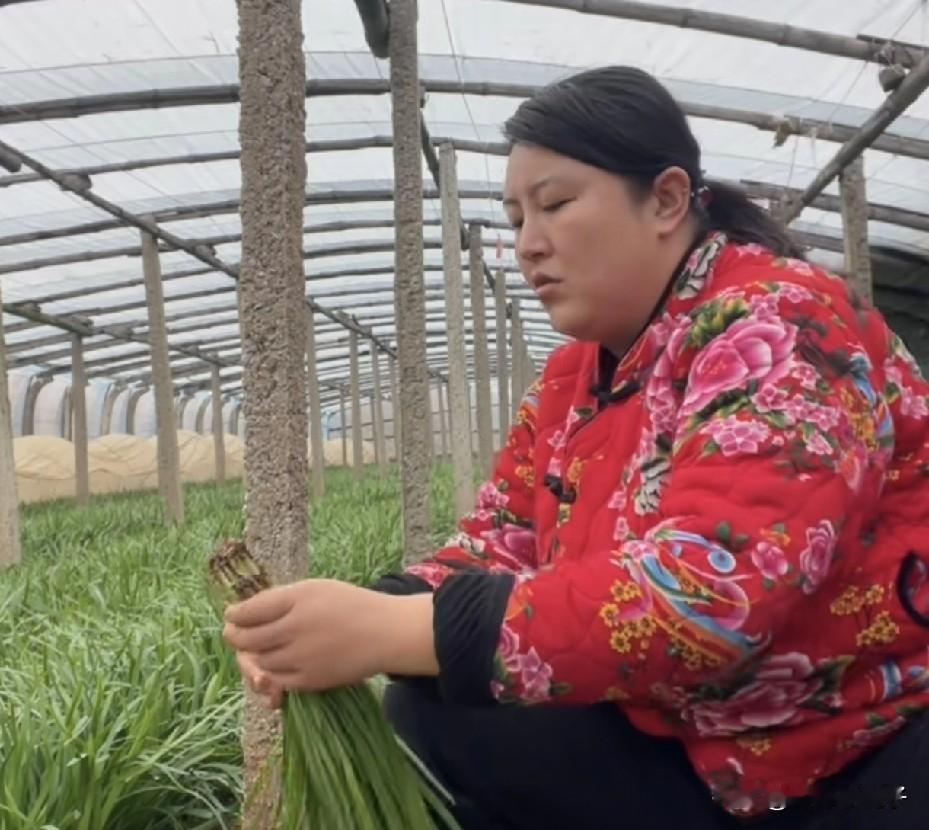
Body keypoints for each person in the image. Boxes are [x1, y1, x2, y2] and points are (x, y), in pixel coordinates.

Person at [222, 66, 929, 829]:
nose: (527, 245)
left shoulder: (779, 323)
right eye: (516, 217)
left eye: (554, 205)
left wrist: (404, 631)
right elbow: (502, 538)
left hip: (844, 754)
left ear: (663, 199)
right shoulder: (575, 374)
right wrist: (372, 612)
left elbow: (714, 597)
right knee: (433, 709)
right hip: (693, 737)